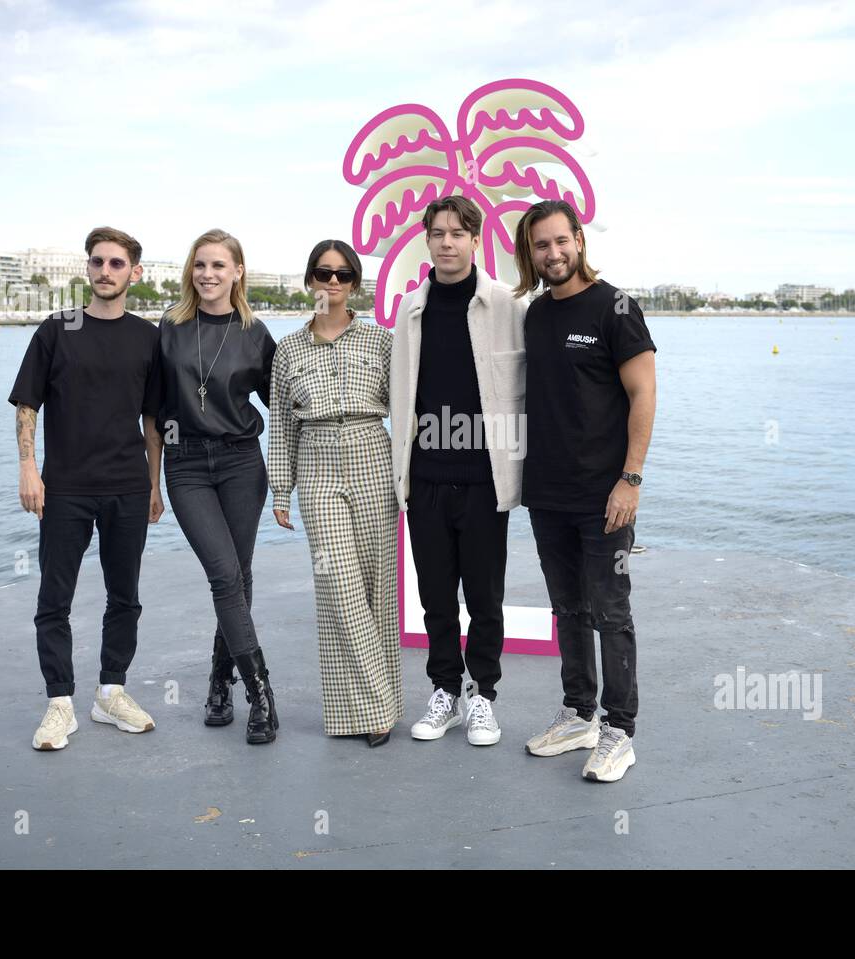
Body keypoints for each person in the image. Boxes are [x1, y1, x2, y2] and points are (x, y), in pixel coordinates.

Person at [513, 200, 656, 782]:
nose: (552, 253)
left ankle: (619, 731)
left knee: (610, 611)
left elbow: (644, 394)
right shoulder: (536, 315)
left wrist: (631, 478)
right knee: (567, 608)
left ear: (578, 239)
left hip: (606, 494)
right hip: (547, 492)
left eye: (559, 241)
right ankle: (579, 715)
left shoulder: (616, 308)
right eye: (540, 246)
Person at [10, 226, 163, 751]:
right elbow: (28, 404)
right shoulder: (57, 330)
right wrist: (29, 468)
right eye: (97, 262)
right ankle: (59, 703)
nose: (105, 271)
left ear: (134, 273)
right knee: (56, 598)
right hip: (65, 488)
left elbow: (152, 418)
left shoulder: (148, 337)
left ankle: (111, 692)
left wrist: (154, 484)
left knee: (125, 598)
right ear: (87, 268)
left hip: (126, 485)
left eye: (116, 263)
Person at [390, 195, 527, 746]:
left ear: (476, 239)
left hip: (484, 478)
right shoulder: (410, 309)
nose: (447, 242)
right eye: (437, 232)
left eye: (457, 232)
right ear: (428, 240)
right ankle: (445, 690)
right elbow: (400, 388)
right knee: (436, 598)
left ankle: (483, 696)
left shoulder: (504, 304)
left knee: (485, 597)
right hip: (424, 477)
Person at [146, 228, 278, 745]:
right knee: (225, 574)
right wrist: (151, 482)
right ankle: (262, 694)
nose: (207, 275)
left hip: (243, 464)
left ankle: (220, 682)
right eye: (200, 265)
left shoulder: (254, 332)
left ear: (237, 271)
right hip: (187, 468)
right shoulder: (170, 329)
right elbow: (153, 415)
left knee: (238, 577)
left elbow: (282, 408)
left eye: (219, 266)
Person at [268, 240, 401, 747]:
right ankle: (378, 708)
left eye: (343, 275)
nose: (332, 283)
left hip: (372, 452)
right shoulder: (288, 350)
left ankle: (359, 714)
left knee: (376, 593)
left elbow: (404, 409)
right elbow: (280, 424)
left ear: (355, 284)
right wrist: (280, 490)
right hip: (317, 460)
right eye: (323, 273)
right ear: (309, 281)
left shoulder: (381, 343)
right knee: (339, 590)